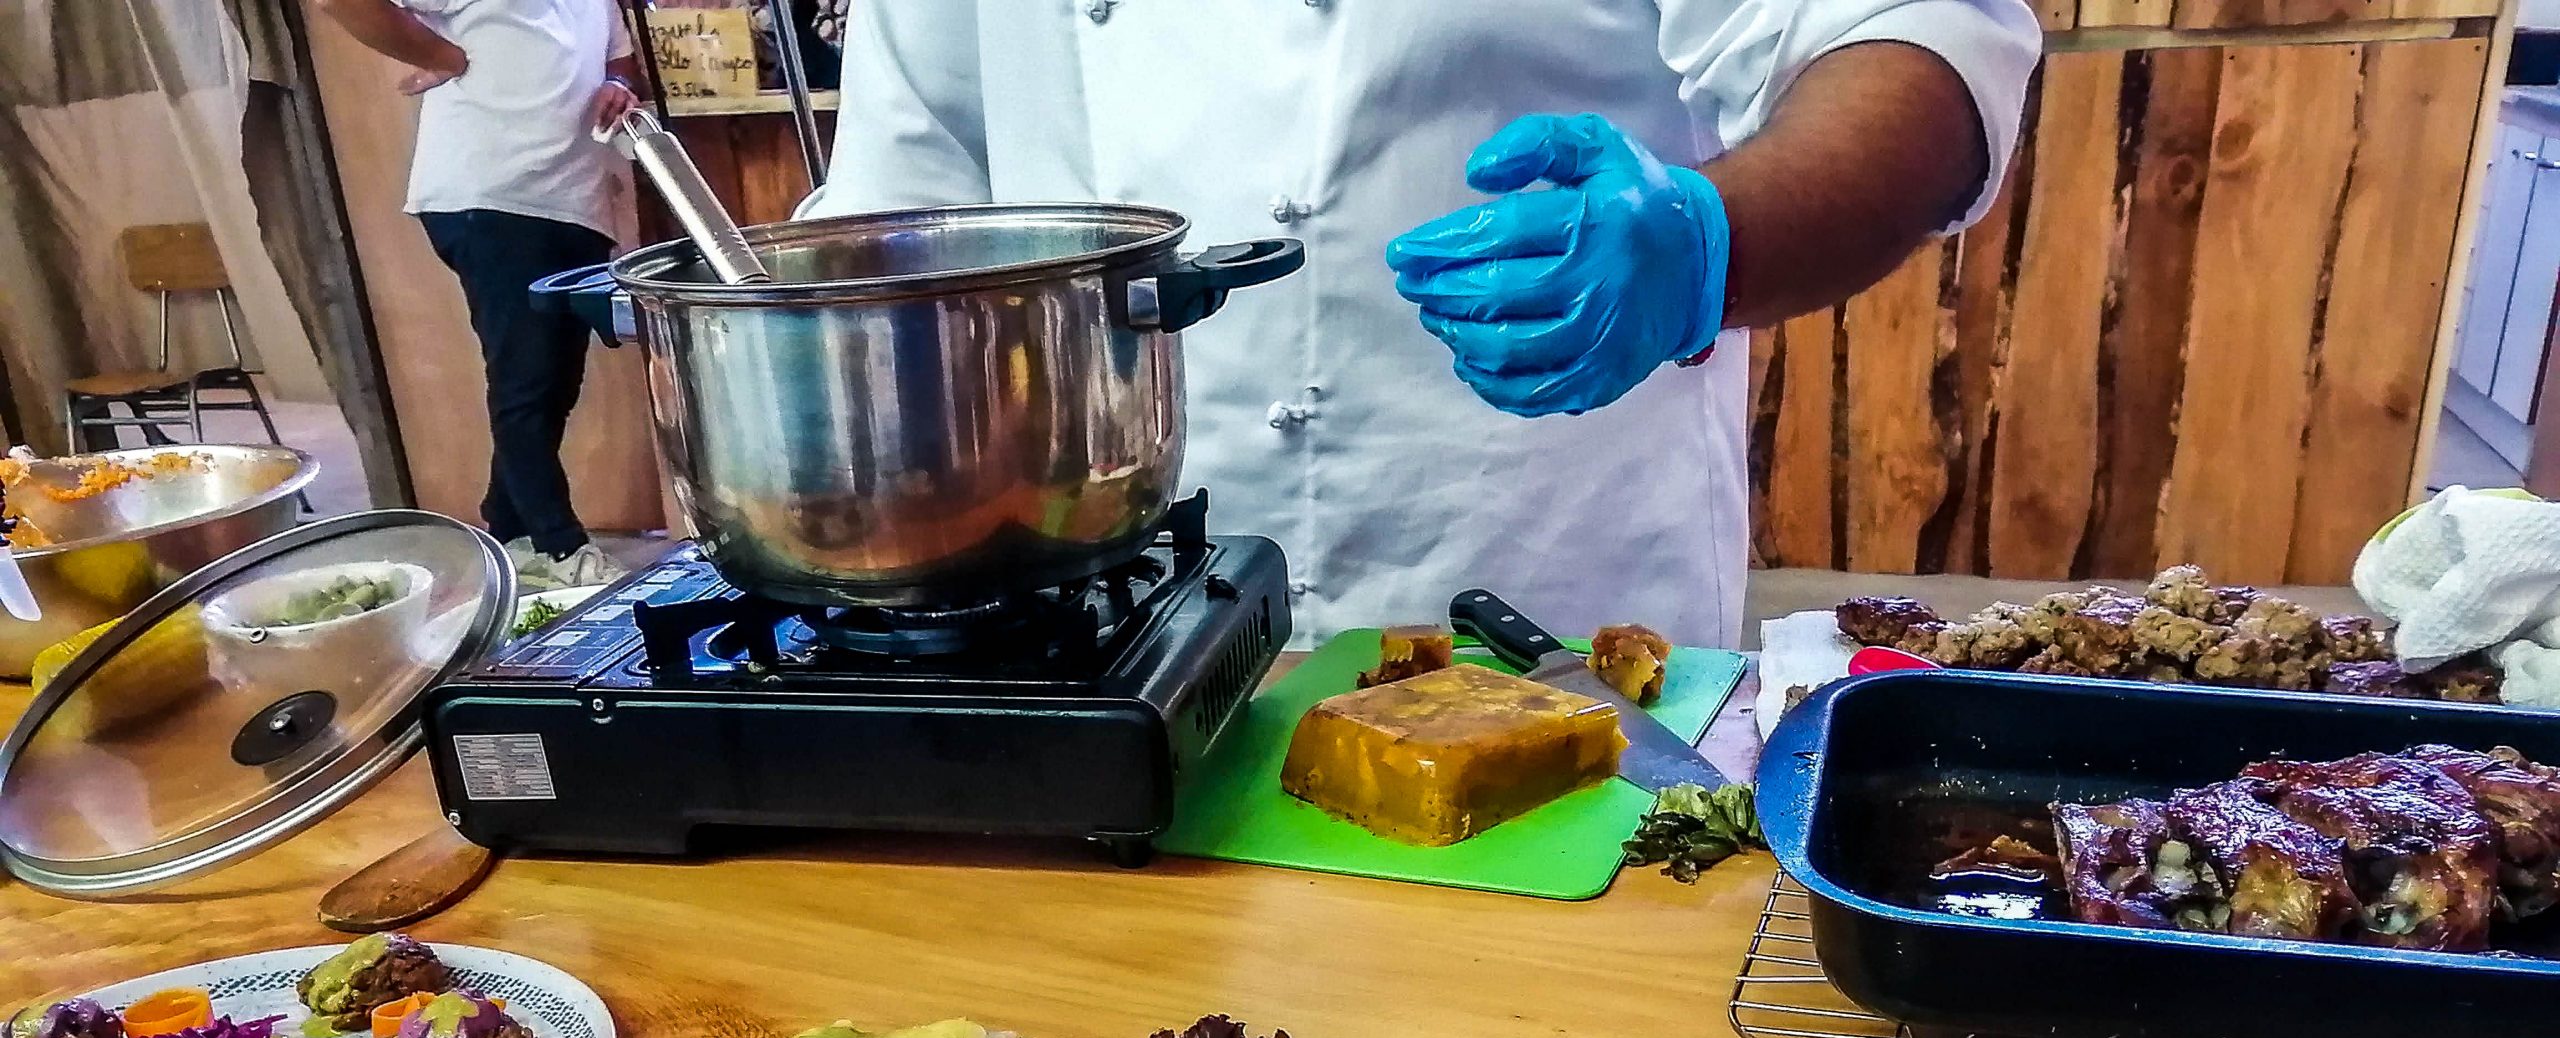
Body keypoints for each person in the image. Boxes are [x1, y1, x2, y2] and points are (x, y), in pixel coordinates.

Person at [802, 3, 2039, 649]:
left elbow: (1916, 48)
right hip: (1098, 607)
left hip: (1532, 584)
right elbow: (901, 202)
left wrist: (1707, 242)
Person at [315, 0, 641, 589]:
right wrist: (444, 56)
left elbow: (617, 55)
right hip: (491, 196)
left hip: (571, 199)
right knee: (529, 382)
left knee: (552, 382)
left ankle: (509, 530)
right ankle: (560, 545)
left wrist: (618, 84)